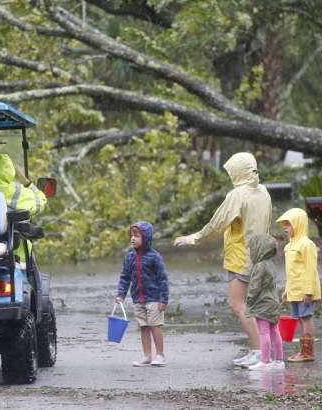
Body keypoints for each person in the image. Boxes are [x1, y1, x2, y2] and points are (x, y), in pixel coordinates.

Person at [173, 152, 271, 367]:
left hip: (242, 257)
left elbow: (218, 224)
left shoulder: (237, 195)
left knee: (237, 305)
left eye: (232, 170)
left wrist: (193, 238)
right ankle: (261, 352)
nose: (230, 175)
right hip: (258, 255)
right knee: (250, 305)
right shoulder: (263, 191)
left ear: (238, 171)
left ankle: (260, 353)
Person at [116, 221, 169, 367]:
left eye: (136, 235)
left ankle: (160, 355)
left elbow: (163, 278)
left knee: (155, 325)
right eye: (131, 235)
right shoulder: (129, 257)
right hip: (138, 299)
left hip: (154, 298)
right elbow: (125, 277)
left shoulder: (154, 257)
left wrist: (163, 299)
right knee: (143, 327)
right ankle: (147, 356)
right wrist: (121, 294)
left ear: (146, 238)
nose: (132, 238)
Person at [0, 153, 47, 265]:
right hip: (17, 256)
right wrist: (26, 181)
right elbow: (40, 202)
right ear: (12, 171)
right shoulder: (20, 191)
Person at [277, 208, 321, 362]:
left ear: (298, 224)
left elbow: (310, 269)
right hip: (294, 291)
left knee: (306, 318)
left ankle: (308, 352)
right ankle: (303, 351)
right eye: (284, 224)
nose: (285, 227)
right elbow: (291, 272)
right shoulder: (289, 246)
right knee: (299, 319)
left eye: (288, 224)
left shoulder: (307, 245)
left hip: (304, 291)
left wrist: (309, 291)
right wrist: (287, 290)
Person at [245, 233, 285, 371]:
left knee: (263, 332)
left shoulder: (259, 266)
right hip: (273, 301)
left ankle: (265, 361)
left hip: (262, 303)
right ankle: (279, 361)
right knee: (274, 330)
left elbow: (255, 286)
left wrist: (249, 300)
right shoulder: (271, 264)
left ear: (259, 249)